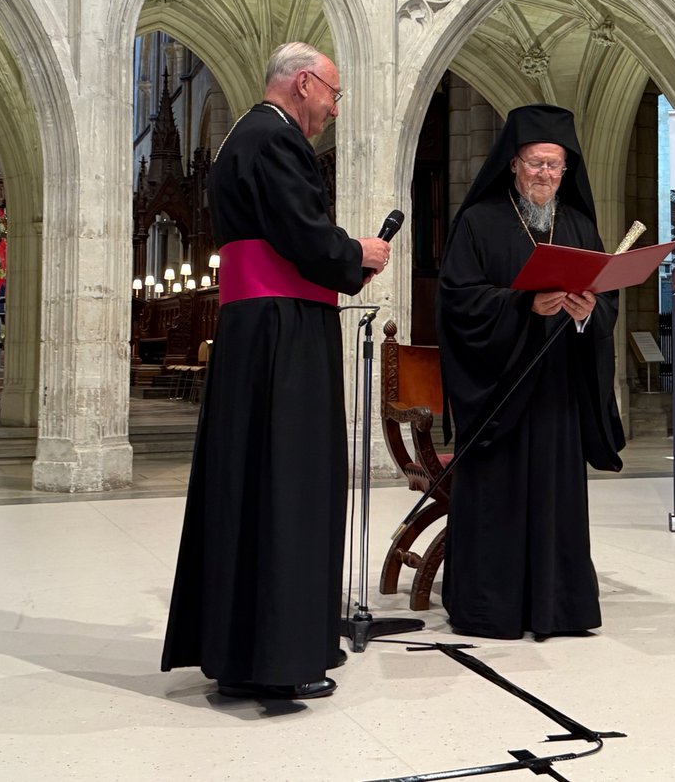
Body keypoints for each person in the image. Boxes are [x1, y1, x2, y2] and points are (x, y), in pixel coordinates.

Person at [161, 42, 391, 699]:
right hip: (284, 334)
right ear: (301, 83)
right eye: (333, 94)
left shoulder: (250, 136)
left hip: (257, 331)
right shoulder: (275, 139)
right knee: (288, 485)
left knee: (251, 486)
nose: (335, 108)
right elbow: (303, 235)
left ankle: (243, 653)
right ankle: (282, 660)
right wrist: (358, 252)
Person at [437, 104, 625, 640]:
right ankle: (489, 607)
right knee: (498, 500)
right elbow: (457, 303)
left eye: (556, 167)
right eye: (537, 164)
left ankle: (559, 607)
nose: (546, 175)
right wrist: (524, 306)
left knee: (556, 501)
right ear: (514, 164)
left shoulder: (578, 225)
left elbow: (605, 302)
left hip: (559, 390)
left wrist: (590, 312)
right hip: (499, 393)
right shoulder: (479, 221)